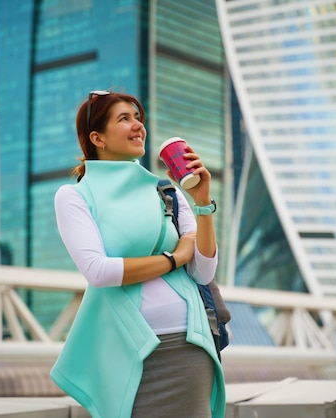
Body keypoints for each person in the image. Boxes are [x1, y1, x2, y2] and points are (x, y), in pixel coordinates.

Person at [50, 90, 226, 418]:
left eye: (138, 118)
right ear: (97, 138)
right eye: (124, 119)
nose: (138, 126)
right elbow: (99, 272)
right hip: (127, 352)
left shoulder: (166, 190)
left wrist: (202, 201)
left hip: (190, 346)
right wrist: (173, 259)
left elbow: (203, 271)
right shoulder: (74, 196)